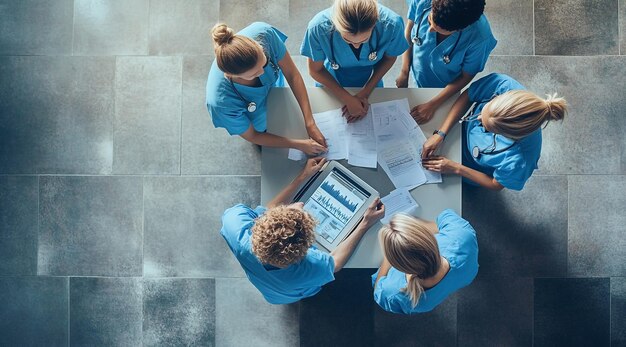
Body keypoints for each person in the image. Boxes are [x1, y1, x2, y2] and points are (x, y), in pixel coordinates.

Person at [221, 157, 385, 304]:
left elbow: (267, 211)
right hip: (292, 293)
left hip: (271, 294)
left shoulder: (235, 222)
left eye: (291, 210)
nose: (300, 204)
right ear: (305, 250)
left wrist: (303, 176)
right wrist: (365, 223)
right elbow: (335, 263)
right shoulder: (311, 268)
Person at [421, 73, 567, 191]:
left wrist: (456, 168)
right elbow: (468, 96)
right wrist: (441, 133)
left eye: (486, 127)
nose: (477, 117)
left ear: (506, 135)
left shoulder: (520, 161)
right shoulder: (504, 85)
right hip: (454, 136)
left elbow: (495, 184)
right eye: (484, 111)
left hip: (470, 169)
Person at [206, 22, 327, 155]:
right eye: (253, 74)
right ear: (231, 76)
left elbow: (292, 75)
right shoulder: (221, 104)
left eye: (264, 63)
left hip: (278, 95)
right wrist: (299, 145)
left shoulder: (264, 35)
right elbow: (253, 136)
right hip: (259, 126)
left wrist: (309, 122)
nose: (262, 73)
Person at [301, 0, 409, 122]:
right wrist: (347, 98)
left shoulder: (392, 25)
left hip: (370, 81)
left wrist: (366, 92)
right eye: (348, 41)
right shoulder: (318, 28)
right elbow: (316, 70)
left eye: (364, 40)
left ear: (375, 24)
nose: (356, 46)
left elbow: (389, 58)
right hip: (330, 82)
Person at [396, 0, 496, 124]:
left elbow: (466, 76)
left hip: (446, 88)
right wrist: (404, 70)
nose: (430, 30)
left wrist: (432, 105)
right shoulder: (422, 1)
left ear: (460, 29)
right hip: (419, 75)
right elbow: (410, 29)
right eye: (429, 20)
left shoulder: (480, 38)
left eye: (439, 30)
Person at [372, 210, 478, 314]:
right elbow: (444, 217)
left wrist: (389, 256)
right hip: (467, 274)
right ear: (428, 236)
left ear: (396, 263)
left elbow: (377, 288)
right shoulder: (462, 235)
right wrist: (415, 226)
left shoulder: (392, 293)